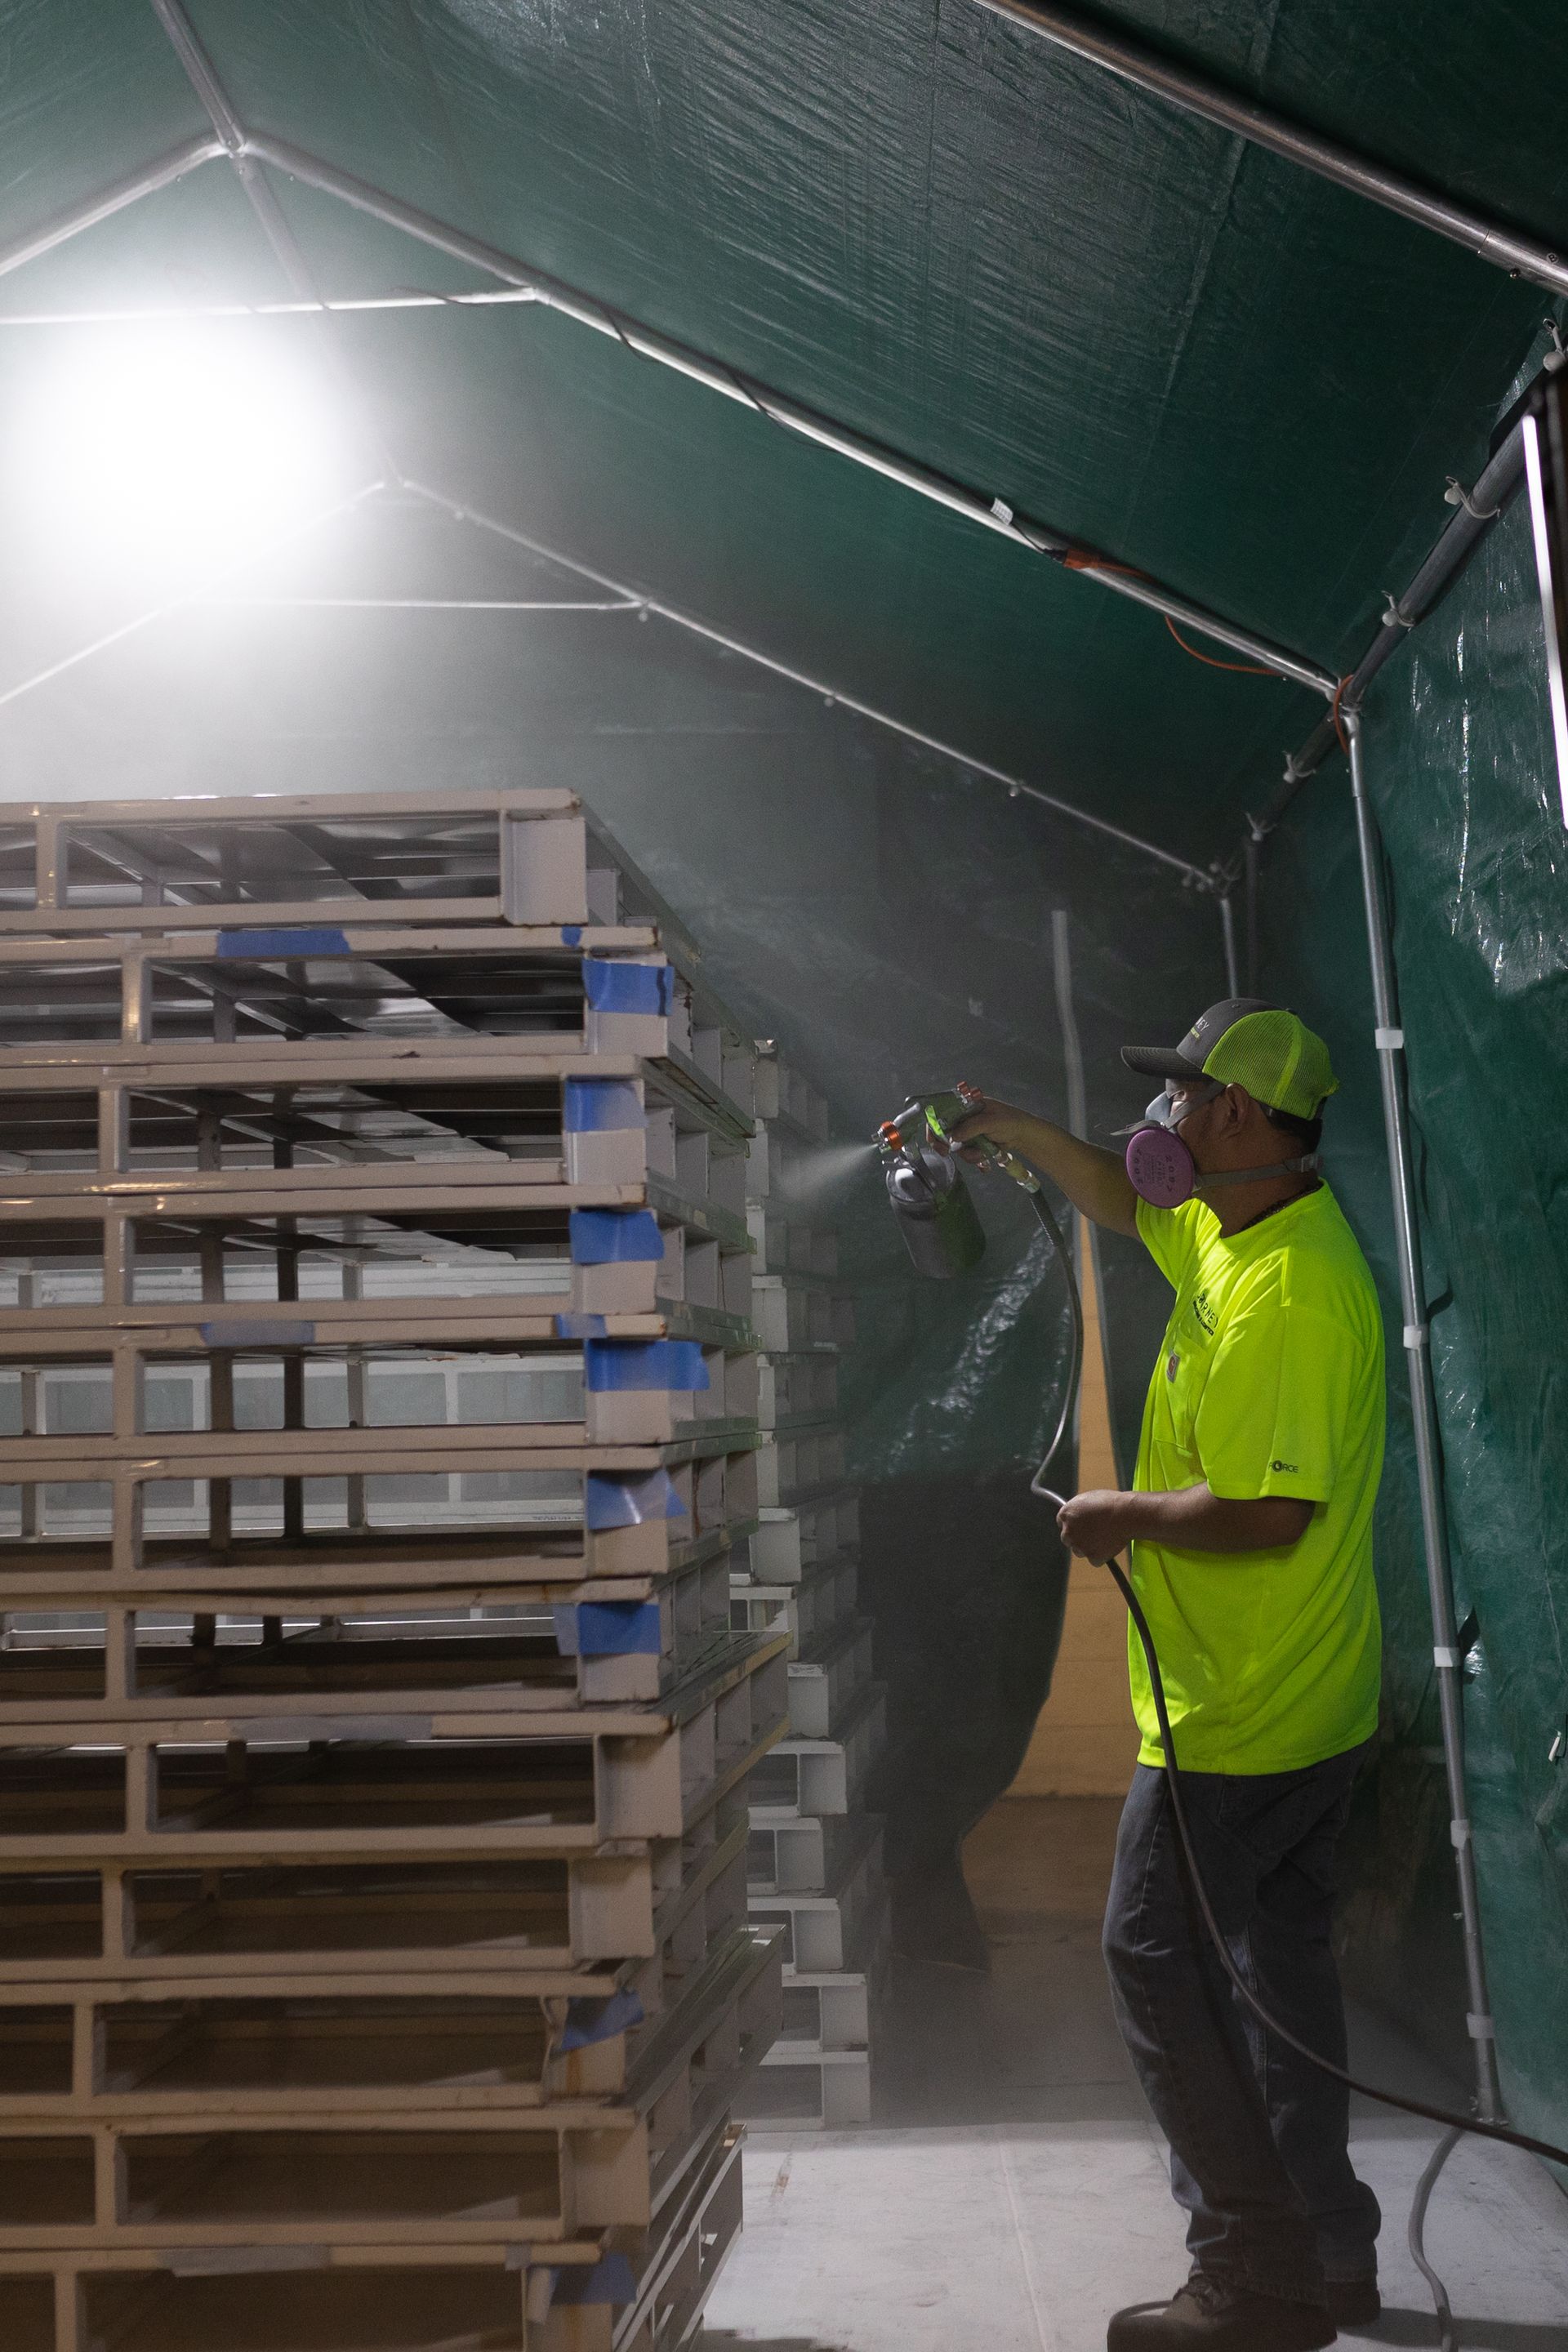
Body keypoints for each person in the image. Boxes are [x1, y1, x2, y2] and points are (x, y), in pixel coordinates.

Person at [955, 998, 1385, 2352]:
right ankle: (1328, 2254)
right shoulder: (1233, 1223)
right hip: (1310, 1701)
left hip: (1243, 1713)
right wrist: (1016, 1131)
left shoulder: (1294, 1297)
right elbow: (1121, 1198)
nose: (1165, 1121)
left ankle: (1254, 2280)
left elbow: (1270, 1514)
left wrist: (1117, 1513)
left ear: (1246, 1118)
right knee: (1277, 1971)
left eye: (1188, 1098)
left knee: (1151, 1958)